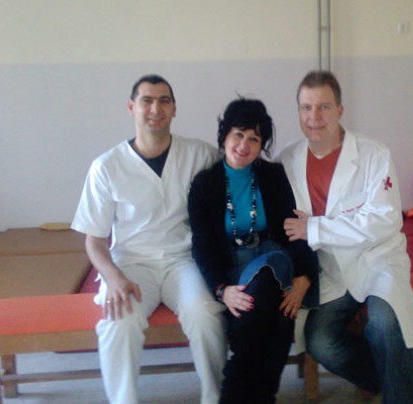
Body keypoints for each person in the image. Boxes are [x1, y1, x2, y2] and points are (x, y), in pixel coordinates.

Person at [71, 74, 227, 404]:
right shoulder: (106, 166)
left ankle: (215, 397)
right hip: (131, 264)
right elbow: (94, 240)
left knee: (206, 314)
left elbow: (235, 180)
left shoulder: (199, 154)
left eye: (164, 101)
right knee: (118, 321)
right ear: (131, 107)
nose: (156, 108)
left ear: (174, 109)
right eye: (147, 101)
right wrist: (113, 279)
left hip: (183, 261)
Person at [277, 70, 413, 403]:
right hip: (329, 269)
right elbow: (285, 227)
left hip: (377, 260)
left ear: (340, 110)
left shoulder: (373, 154)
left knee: (386, 323)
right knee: (320, 340)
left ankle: (400, 396)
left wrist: (315, 228)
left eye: (324, 107)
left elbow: (383, 220)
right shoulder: (286, 159)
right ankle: (385, 379)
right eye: (306, 107)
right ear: (298, 111)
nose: (314, 117)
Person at [188, 98, 319, 404]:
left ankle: (231, 396)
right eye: (238, 134)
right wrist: (222, 289)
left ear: (262, 146)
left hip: (274, 259)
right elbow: (203, 246)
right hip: (232, 267)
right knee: (277, 320)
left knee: (265, 291)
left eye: (254, 139)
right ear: (224, 136)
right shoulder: (204, 184)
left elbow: (295, 229)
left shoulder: (274, 176)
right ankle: (263, 397)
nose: (244, 145)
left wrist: (304, 277)